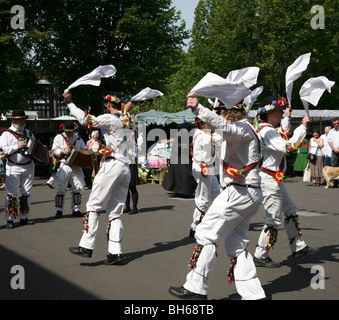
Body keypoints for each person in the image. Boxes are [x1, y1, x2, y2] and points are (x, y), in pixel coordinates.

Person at [169, 94, 266, 300]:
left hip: (238, 192)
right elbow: (219, 136)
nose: (218, 117)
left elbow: (225, 128)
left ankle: (196, 288)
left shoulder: (240, 129)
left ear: (229, 114)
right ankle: (253, 294)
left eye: (220, 113)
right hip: (247, 192)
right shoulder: (246, 130)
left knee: (205, 233)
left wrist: (198, 108)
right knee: (237, 244)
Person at [66, 91, 133, 265]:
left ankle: (86, 246)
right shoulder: (128, 120)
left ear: (109, 104)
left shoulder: (111, 119)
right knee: (115, 212)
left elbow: (87, 121)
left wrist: (70, 103)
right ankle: (115, 252)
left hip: (112, 166)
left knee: (93, 205)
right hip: (126, 167)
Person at [253, 97, 319, 268]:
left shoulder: (267, 129)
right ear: (270, 113)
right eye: (280, 111)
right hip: (269, 179)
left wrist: (287, 118)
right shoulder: (266, 131)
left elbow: (281, 134)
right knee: (273, 219)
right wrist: (303, 127)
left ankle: (298, 246)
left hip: (274, 178)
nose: (282, 113)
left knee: (290, 209)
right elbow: (287, 146)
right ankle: (260, 254)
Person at [0, 109, 35, 229]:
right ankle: (10, 219)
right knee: (12, 194)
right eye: (21, 119)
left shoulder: (28, 133)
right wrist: (17, 146)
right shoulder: (6, 134)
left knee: (26, 193)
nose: (23, 121)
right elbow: (2, 149)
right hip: (13, 166)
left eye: (24, 119)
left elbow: (34, 146)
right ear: (14, 121)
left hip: (29, 166)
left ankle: (24, 217)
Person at [189, 117, 222, 237]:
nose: (211, 125)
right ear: (203, 124)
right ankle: (195, 225)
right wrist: (224, 128)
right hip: (203, 169)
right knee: (203, 198)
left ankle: (218, 221)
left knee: (218, 194)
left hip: (207, 168)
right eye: (209, 123)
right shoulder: (203, 136)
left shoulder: (202, 134)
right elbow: (216, 139)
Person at [52, 120, 86, 219]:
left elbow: (84, 149)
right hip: (65, 165)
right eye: (68, 132)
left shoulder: (78, 139)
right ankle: (59, 210)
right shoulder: (59, 137)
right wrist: (62, 150)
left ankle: (76, 209)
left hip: (76, 166)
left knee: (77, 187)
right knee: (61, 188)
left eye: (71, 132)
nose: (69, 134)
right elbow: (53, 150)